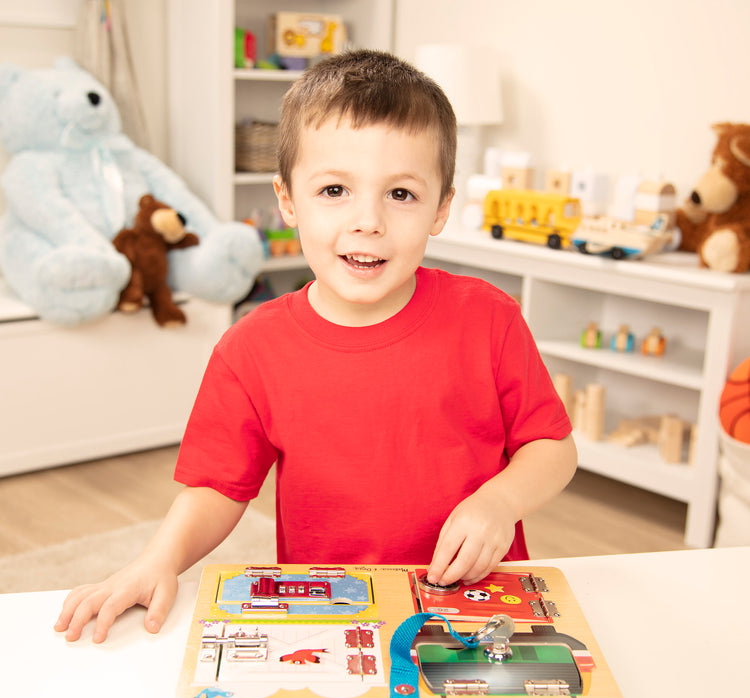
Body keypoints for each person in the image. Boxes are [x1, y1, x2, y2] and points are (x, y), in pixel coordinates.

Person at [55, 50, 577, 644]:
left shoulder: (488, 317)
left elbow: (553, 448)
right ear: (287, 201)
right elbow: (216, 487)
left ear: (442, 208)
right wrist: (158, 560)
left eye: (401, 194)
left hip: (475, 604)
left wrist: (500, 503)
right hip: (329, 610)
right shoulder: (251, 349)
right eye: (334, 189)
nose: (368, 221)